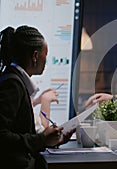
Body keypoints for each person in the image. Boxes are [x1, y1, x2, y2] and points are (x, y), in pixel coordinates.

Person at [0, 25, 75, 169]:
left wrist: (53, 140)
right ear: (35, 56)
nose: (46, 61)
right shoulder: (12, 83)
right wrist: (41, 139)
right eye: (45, 55)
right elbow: (2, 136)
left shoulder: (16, 80)